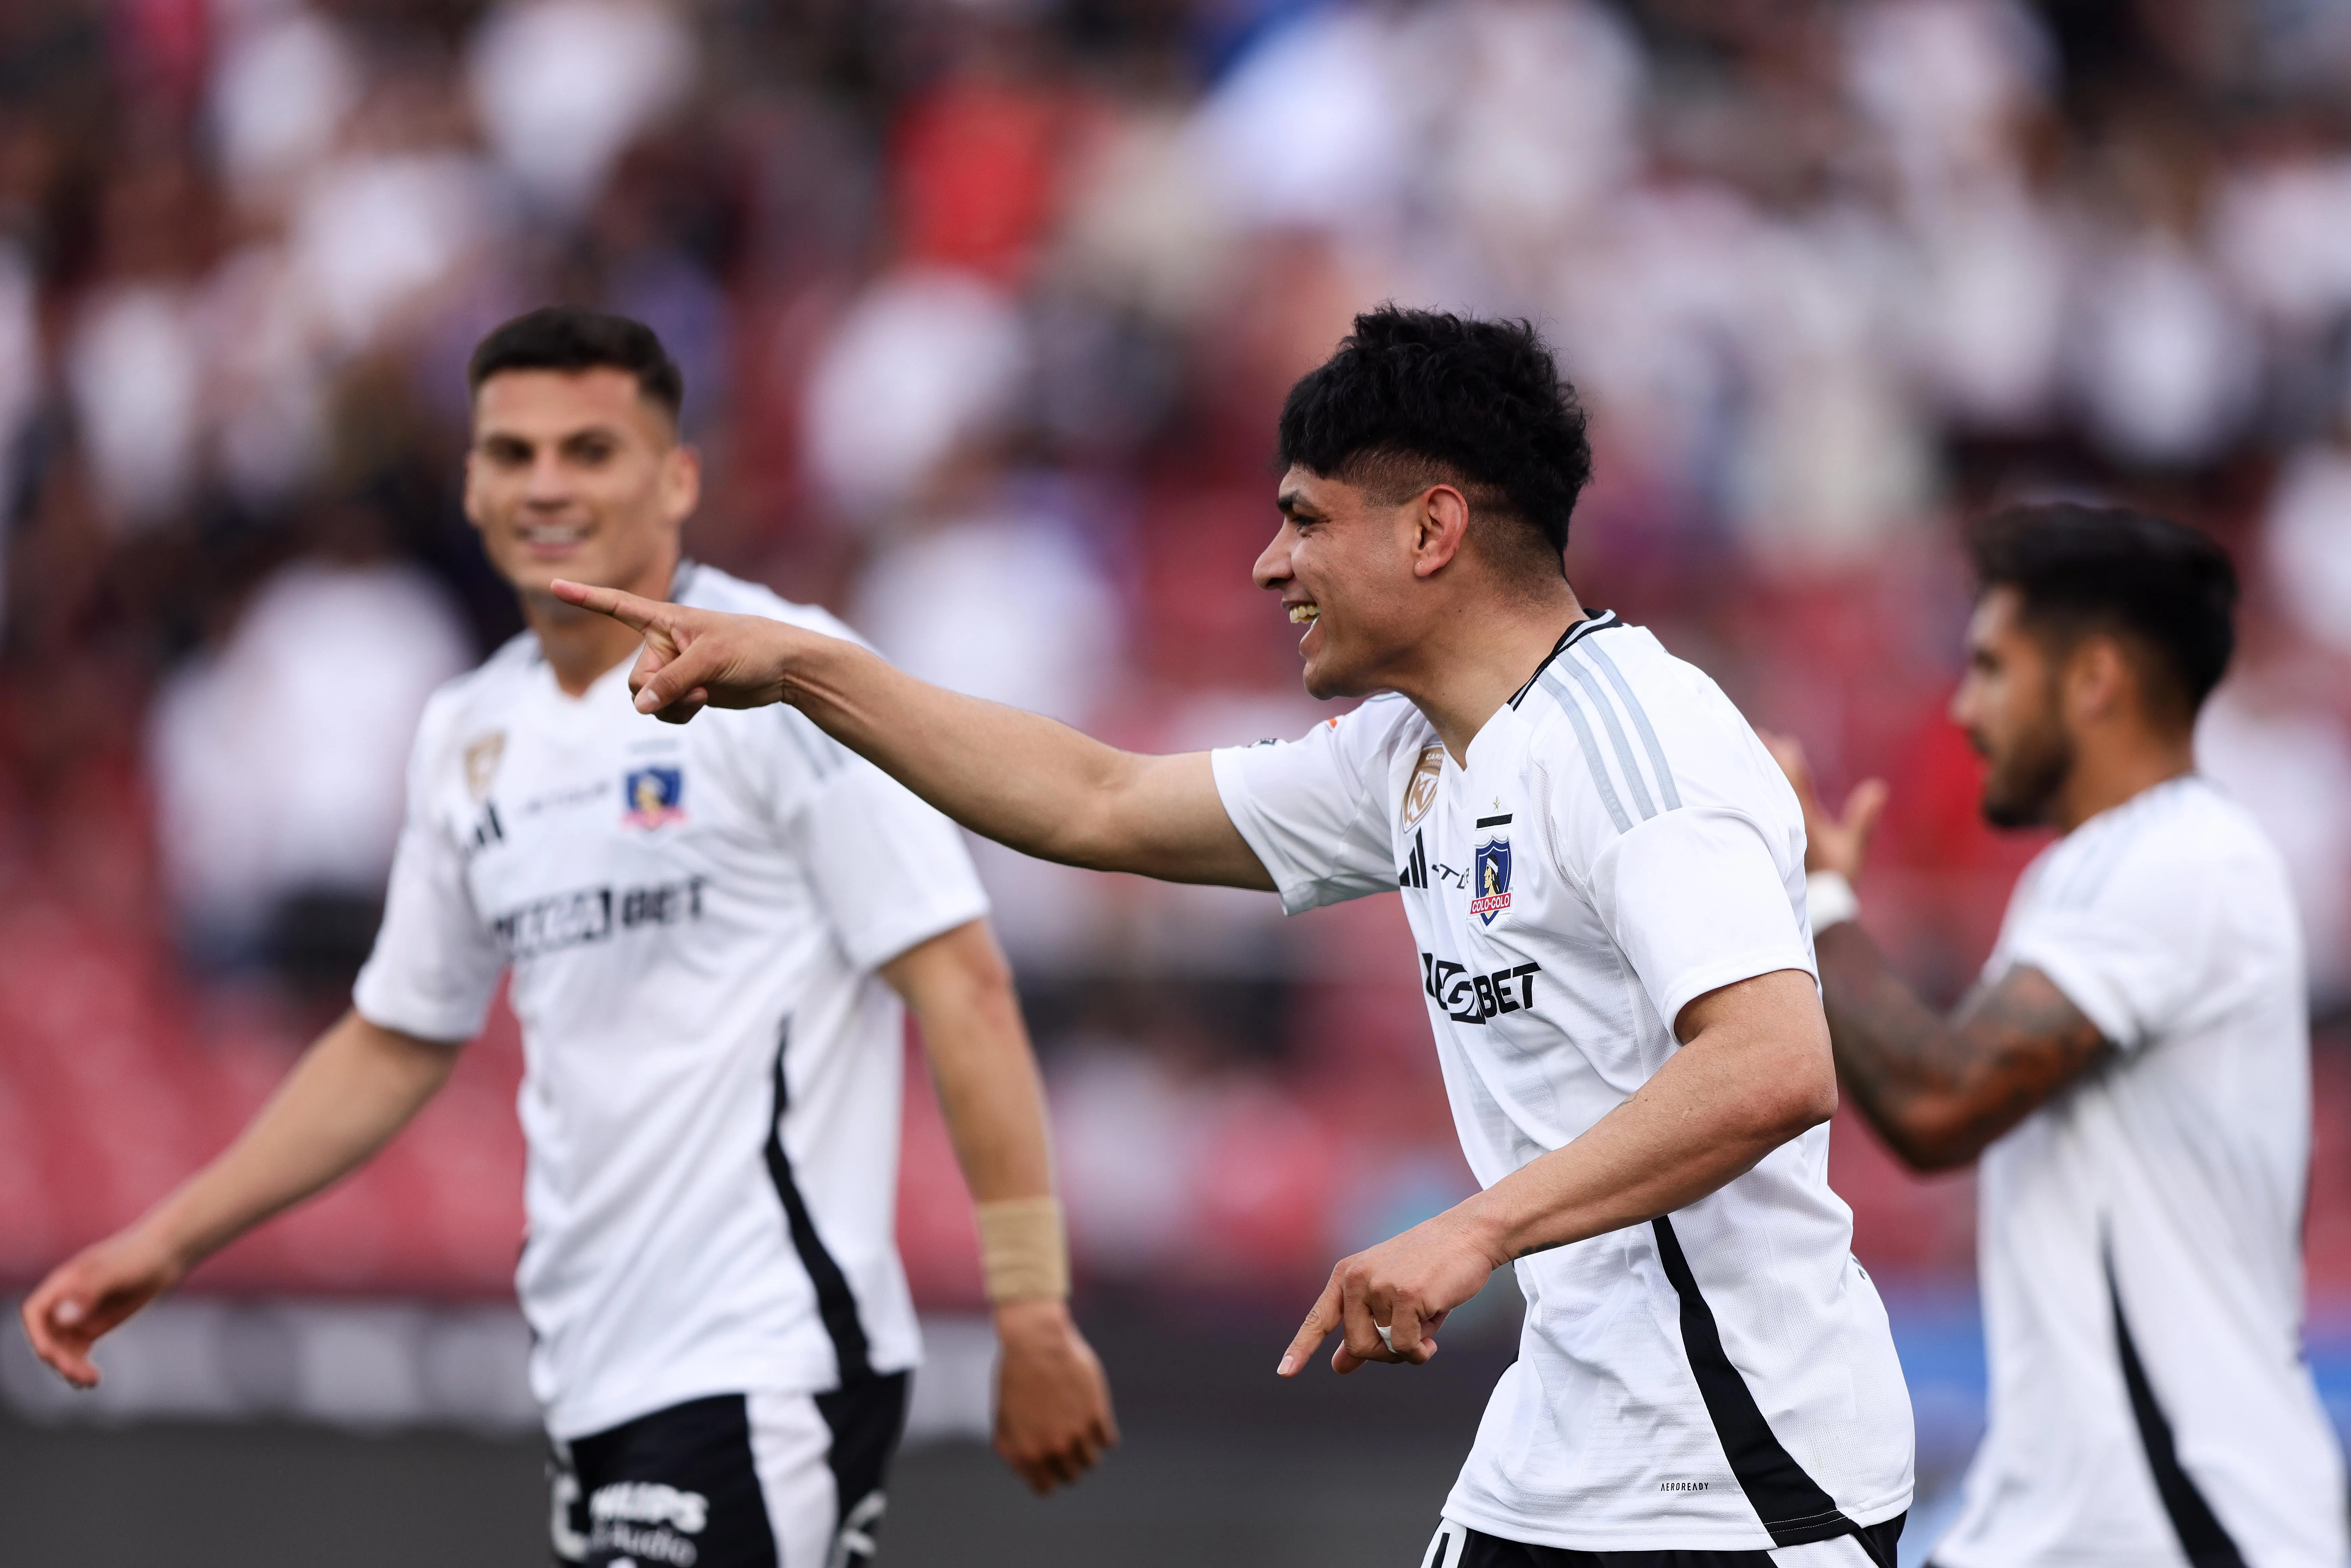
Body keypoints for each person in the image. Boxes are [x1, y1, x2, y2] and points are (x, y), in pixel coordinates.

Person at [556, 307, 1917, 1564]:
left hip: (1744, 1466)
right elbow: (1096, 800)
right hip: (1562, 1448)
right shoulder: (1411, 754)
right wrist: (802, 666)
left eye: (1305, 521)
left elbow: (1770, 1064)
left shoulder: (1634, 738)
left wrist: (1476, 1230)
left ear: (1432, 529)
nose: (1271, 565)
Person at [21, 306, 1117, 1568]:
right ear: (473, 482)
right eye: (512, 453)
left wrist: (1030, 1308)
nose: (546, 485)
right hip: (595, 1377)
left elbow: (962, 980)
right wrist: (163, 1243)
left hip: (765, 1356)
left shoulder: (789, 682)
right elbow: (396, 1038)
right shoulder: (467, 733)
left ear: (678, 477)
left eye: (590, 450)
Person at [1768, 503, 2347, 1568]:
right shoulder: (2090, 872)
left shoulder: (2183, 857)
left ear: (2093, 680)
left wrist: (1818, 902)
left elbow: (1939, 1101)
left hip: (2190, 1526)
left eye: (1991, 666)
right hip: (2067, 1520)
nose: (1963, 705)